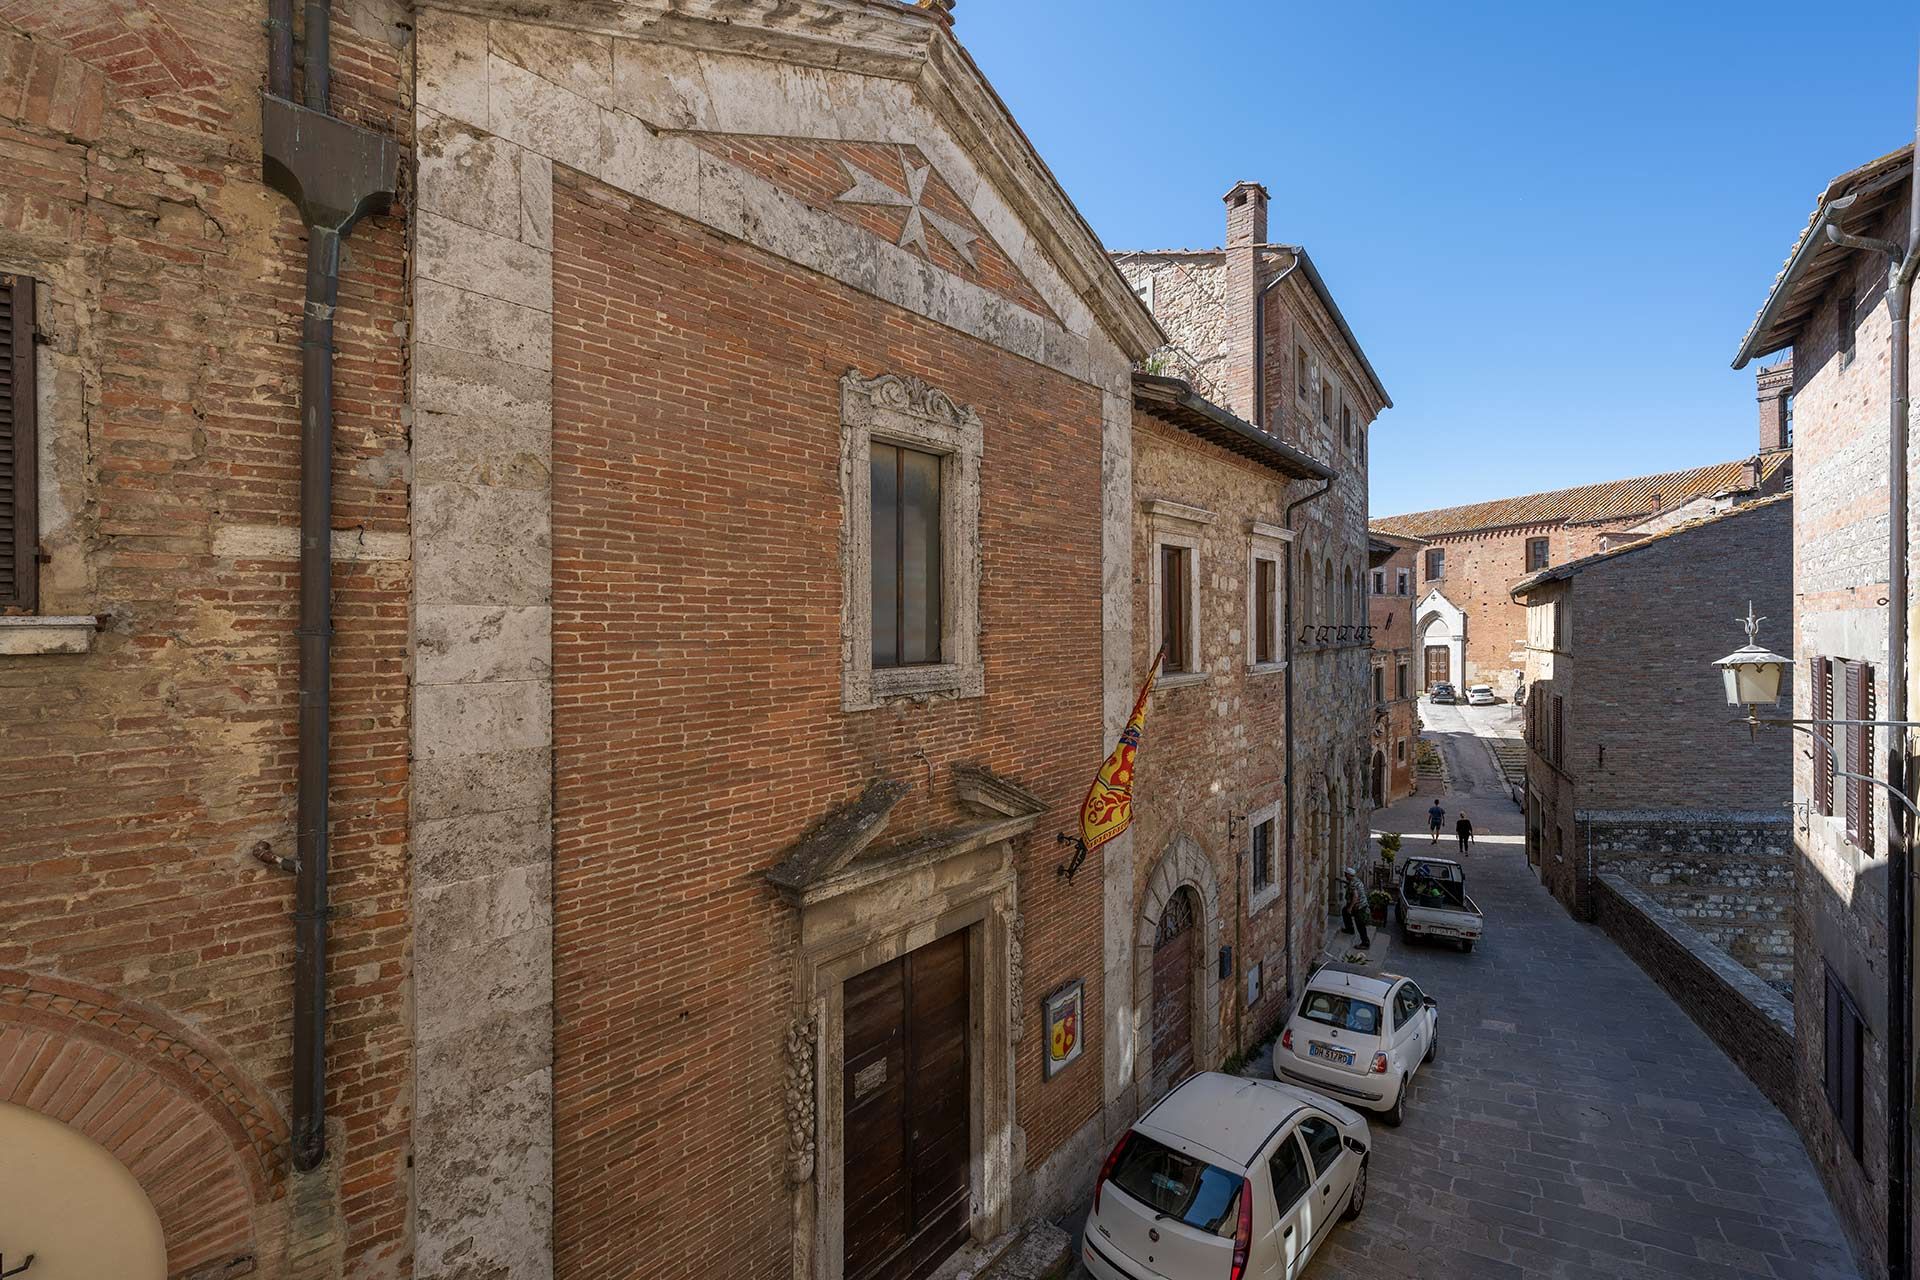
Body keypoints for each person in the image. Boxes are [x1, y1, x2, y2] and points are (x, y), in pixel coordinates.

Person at [1342, 868, 1371, 949]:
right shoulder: (1356, 880)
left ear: (1348, 875)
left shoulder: (1353, 884)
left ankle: (1365, 943)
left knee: (1360, 925)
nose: (1345, 876)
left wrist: (1350, 908)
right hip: (1361, 905)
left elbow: (1355, 896)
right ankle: (1350, 929)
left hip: (1359, 906)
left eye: (1345, 874)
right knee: (1345, 911)